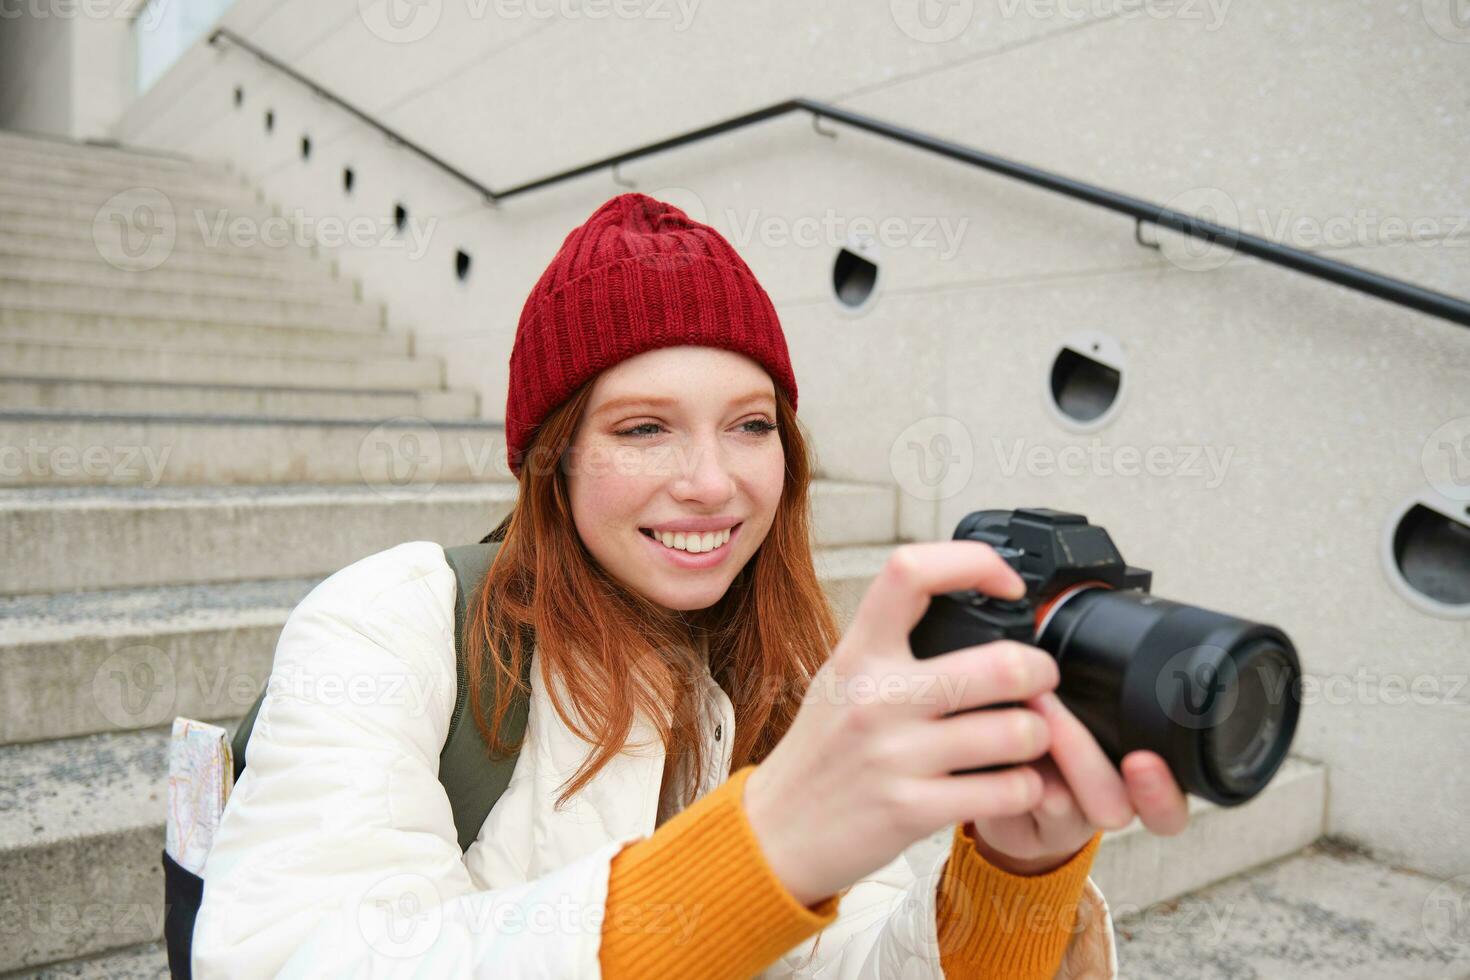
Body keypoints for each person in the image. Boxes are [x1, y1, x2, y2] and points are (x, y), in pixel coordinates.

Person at [192, 192, 1189, 978]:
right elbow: (301, 957)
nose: (713, 482)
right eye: (642, 426)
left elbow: (850, 958)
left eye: (751, 425)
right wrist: (760, 847)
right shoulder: (391, 619)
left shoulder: (790, 667)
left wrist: (1014, 876)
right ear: (557, 456)